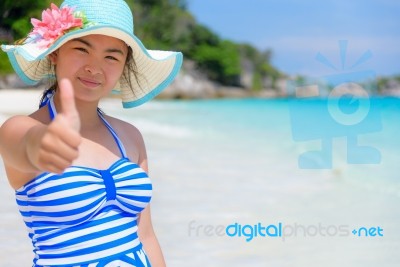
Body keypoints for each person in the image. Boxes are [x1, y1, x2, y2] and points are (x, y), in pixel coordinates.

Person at [0, 0, 182, 266]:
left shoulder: (130, 137)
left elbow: (146, 236)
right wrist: (44, 142)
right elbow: (23, 145)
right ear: (54, 53)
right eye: (82, 49)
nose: (94, 67)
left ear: (123, 65)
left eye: (111, 56)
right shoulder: (21, 128)